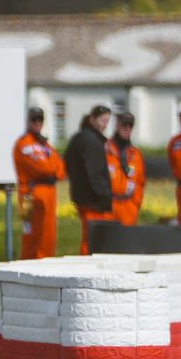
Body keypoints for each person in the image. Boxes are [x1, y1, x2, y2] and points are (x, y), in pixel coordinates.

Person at [11, 106, 66, 258]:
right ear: (28, 121)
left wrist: (53, 168)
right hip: (30, 195)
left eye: (40, 119)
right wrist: (53, 168)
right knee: (31, 237)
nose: (37, 123)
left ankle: (45, 268)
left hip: (49, 194)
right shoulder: (24, 144)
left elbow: (61, 169)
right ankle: (27, 268)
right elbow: (44, 168)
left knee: (48, 237)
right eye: (34, 119)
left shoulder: (45, 145)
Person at [63, 104, 115, 253]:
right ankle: (88, 267)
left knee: (89, 236)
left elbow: (67, 162)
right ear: (92, 119)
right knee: (93, 239)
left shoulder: (79, 137)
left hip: (82, 197)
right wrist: (104, 195)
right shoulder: (91, 141)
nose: (105, 124)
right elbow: (94, 172)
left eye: (107, 121)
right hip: (94, 201)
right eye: (102, 120)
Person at [111, 111, 146, 226]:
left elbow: (140, 182)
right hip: (109, 206)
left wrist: (135, 204)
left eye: (130, 125)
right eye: (124, 125)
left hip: (128, 207)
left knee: (126, 243)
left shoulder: (136, 154)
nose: (127, 128)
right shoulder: (104, 150)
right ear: (117, 125)